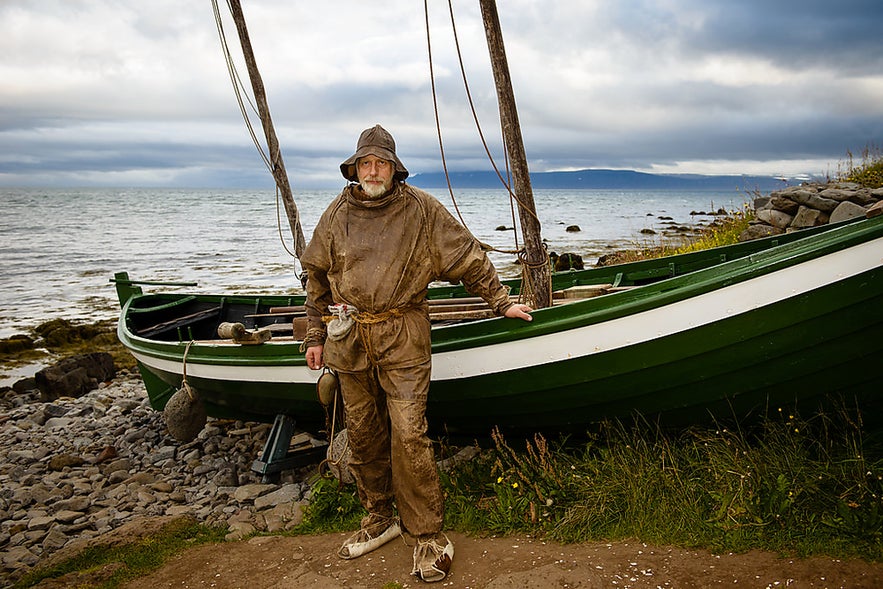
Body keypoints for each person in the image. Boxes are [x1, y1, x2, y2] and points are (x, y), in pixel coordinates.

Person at [300, 124, 532, 583]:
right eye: (365, 162)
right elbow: (317, 279)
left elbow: (468, 257)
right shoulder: (337, 213)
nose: (372, 170)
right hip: (349, 340)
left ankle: (428, 535)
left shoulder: (421, 210)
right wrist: (314, 335)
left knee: (409, 434)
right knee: (364, 435)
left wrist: (501, 301)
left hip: (403, 334)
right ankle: (380, 517)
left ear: (394, 168)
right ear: (355, 167)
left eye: (381, 163)